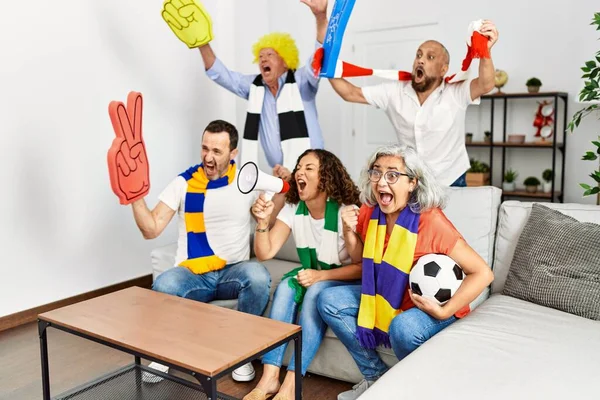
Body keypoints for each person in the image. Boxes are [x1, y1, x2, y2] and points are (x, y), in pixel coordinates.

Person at [317, 144, 494, 400]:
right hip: (388, 296)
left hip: (429, 308)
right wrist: (347, 231)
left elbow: (483, 273)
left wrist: (444, 310)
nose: (381, 182)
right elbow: (359, 260)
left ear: (412, 182)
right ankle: (375, 378)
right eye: (376, 173)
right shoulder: (370, 212)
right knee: (328, 300)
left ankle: (412, 390)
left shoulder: (430, 221)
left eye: (392, 175)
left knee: (403, 327)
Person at [132, 119, 271, 382]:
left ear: (233, 154)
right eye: (204, 148)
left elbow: (270, 217)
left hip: (233, 271)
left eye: (217, 152)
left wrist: (267, 210)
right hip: (194, 273)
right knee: (164, 285)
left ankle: (241, 354)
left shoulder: (246, 180)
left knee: (259, 277)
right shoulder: (183, 183)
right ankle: (163, 353)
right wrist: (135, 197)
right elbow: (151, 229)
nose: (208, 157)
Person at [243, 149, 362, 400]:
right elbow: (266, 252)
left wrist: (319, 277)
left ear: (325, 176)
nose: (299, 172)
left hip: (342, 279)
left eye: (309, 168)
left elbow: (362, 268)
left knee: (315, 291)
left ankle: (290, 385)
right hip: (313, 272)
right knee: (286, 287)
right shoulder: (293, 208)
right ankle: (269, 378)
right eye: (299, 167)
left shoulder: (345, 211)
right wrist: (263, 223)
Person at [327, 22, 499, 187]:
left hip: (451, 180)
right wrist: (327, 67)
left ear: (443, 69)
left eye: (430, 57)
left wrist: (485, 50)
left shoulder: (455, 92)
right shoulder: (394, 91)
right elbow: (350, 93)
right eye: (418, 55)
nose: (421, 60)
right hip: (412, 182)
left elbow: (486, 84)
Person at [198, 0, 330, 180]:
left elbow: (320, 58)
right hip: (278, 174)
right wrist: (201, 42)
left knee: (315, 209)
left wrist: (320, 16)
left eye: (270, 55)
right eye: (260, 56)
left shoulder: (301, 82)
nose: (263, 60)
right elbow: (222, 75)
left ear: (285, 60)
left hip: (313, 172)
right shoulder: (255, 87)